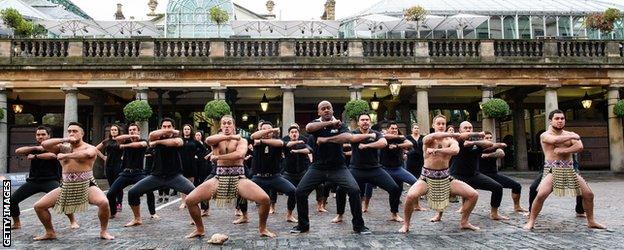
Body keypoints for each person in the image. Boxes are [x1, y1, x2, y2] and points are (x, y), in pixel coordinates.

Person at [185, 115, 276, 238]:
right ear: (221, 126)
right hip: (219, 178)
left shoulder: (242, 140)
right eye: (224, 123)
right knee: (190, 200)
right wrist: (231, 136)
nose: (226, 125)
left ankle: (263, 229)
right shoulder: (217, 140)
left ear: (233, 125)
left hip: (238, 177)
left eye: (229, 123)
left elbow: (239, 155)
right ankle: (200, 229)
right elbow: (208, 140)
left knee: (265, 199)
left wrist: (218, 157)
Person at [290, 100, 370, 235]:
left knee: (354, 190)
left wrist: (326, 139)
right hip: (317, 167)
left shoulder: (341, 124)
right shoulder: (318, 123)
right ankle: (303, 225)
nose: (326, 110)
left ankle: (359, 226)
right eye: (323, 108)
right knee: (300, 192)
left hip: (338, 167)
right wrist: (330, 123)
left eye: (328, 108)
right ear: (319, 112)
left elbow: (347, 137)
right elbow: (309, 128)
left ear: (332, 110)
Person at [523, 110, 606, 230]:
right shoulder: (545, 135)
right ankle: (531, 221)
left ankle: (591, 221)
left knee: (588, 194)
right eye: (557, 119)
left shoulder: (568, 133)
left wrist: (564, 150)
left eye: (562, 118)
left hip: (569, 169)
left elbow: (580, 146)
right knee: (541, 195)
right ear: (550, 121)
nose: (560, 121)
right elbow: (554, 141)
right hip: (552, 169)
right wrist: (573, 136)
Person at [399, 115, 480, 233]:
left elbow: (455, 151)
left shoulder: (451, 141)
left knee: (473, 195)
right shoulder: (428, 139)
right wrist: (453, 134)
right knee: (411, 196)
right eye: (439, 124)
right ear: (433, 125)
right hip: (426, 178)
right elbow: (434, 136)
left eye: (443, 124)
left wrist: (437, 150)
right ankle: (406, 224)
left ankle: (464, 222)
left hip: (446, 178)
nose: (441, 126)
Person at [35, 122, 114, 240]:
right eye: (69, 131)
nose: (72, 133)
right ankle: (50, 232)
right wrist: (65, 139)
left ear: (82, 133)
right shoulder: (62, 147)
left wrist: (67, 156)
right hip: (66, 185)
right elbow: (45, 144)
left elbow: (87, 154)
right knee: (39, 206)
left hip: (87, 184)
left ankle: (103, 231)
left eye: (75, 131)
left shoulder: (89, 147)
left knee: (103, 202)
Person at [125, 118, 196, 227]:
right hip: (156, 176)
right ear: (160, 128)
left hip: (174, 176)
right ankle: (137, 219)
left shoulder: (178, 139)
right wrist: (167, 133)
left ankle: (194, 219)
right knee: (132, 192)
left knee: (194, 193)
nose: (167, 129)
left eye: (169, 126)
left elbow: (175, 142)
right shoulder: (155, 136)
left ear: (173, 128)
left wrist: (157, 142)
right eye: (164, 126)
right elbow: (151, 135)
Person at [332, 114, 402, 223]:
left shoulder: (376, 133)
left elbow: (383, 143)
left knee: (394, 188)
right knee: (340, 189)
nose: (365, 122)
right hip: (356, 169)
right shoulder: (354, 133)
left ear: (370, 122)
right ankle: (340, 215)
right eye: (362, 120)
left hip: (375, 169)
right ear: (358, 123)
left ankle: (394, 213)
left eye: (367, 120)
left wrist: (367, 146)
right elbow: (350, 138)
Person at [10, 126, 78, 230]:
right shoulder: (34, 148)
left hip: (50, 180)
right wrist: (36, 149)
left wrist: (36, 156)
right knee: (12, 200)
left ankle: (73, 221)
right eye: (38, 135)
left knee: (62, 200)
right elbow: (18, 151)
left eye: (43, 134)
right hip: (33, 181)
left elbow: (52, 156)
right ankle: (17, 223)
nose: (40, 136)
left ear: (49, 136)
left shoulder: (56, 147)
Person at [447, 121, 509, 221]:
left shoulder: (476, 141)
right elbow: (463, 136)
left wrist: (474, 142)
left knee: (497, 188)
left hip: (474, 175)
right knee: (443, 193)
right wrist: (477, 135)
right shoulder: (457, 139)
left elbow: (488, 144)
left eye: (470, 128)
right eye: (465, 128)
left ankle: (494, 213)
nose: (468, 129)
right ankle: (439, 215)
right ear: (460, 130)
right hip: (457, 175)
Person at [105, 123, 158, 224]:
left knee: (149, 190)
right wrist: (130, 136)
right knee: (111, 193)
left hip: (138, 173)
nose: (132, 131)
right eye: (130, 130)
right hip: (125, 173)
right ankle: (113, 212)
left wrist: (125, 145)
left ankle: (153, 212)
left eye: (134, 130)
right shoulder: (126, 139)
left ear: (139, 131)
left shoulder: (143, 141)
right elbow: (117, 138)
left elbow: (139, 145)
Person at [247, 122, 297, 222]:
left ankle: (289, 215)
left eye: (269, 130)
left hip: (275, 177)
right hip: (258, 177)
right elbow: (253, 136)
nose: (266, 132)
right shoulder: (256, 140)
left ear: (273, 133)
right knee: (241, 191)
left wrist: (262, 141)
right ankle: (244, 215)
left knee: (292, 191)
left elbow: (281, 143)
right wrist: (270, 130)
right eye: (263, 129)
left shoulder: (276, 142)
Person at [478, 131, 527, 213]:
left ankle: (517, 206)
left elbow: (501, 153)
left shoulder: (495, 147)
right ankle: (463, 207)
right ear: (482, 139)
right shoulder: (478, 148)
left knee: (517, 186)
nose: (489, 139)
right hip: (480, 175)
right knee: (469, 189)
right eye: (487, 138)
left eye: (490, 138)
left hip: (493, 174)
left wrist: (488, 155)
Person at [281, 125, 314, 222]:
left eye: (296, 132)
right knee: (292, 193)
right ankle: (289, 214)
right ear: (289, 134)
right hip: (288, 174)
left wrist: (297, 150)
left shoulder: (303, 142)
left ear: (299, 134)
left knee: (303, 194)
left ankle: (304, 215)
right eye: (292, 132)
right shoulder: (285, 143)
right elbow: (285, 145)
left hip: (302, 173)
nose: (294, 133)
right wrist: (295, 143)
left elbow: (310, 150)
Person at [96, 124, 124, 213]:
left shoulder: (121, 140)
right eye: (112, 130)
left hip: (118, 165)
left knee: (118, 185)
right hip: (108, 165)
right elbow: (95, 149)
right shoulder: (107, 141)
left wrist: (124, 157)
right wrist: (103, 157)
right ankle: (113, 202)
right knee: (111, 185)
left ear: (118, 131)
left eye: (115, 130)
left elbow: (128, 149)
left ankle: (119, 202)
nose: (113, 131)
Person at [178, 124, 201, 209]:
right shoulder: (180, 140)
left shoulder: (194, 141)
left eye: (188, 129)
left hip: (191, 164)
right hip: (181, 164)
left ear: (190, 131)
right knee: (181, 184)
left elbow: (203, 149)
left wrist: (197, 156)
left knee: (190, 184)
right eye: (185, 129)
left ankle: (189, 201)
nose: (186, 130)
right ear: (183, 131)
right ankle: (183, 202)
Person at [405, 123, 426, 211]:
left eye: (417, 128)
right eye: (415, 128)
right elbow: (405, 147)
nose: (416, 129)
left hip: (421, 160)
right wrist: (405, 153)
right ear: (412, 129)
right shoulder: (408, 137)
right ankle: (413, 201)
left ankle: (417, 203)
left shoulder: (422, 137)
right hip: (411, 160)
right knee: (412, 181)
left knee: (419, 179)